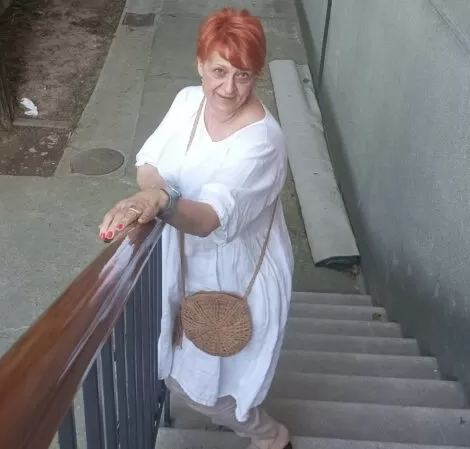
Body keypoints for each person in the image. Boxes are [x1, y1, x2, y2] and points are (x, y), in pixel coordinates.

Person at [98, 7, 294, 449]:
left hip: (235, 275)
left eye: (243, 75)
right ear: (200, 65)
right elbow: (150, 163)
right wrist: (147, 196)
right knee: (189, 373)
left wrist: (160, 202)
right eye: (219, 71)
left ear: (256, 75)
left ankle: (271, 436)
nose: (229, 88)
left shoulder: (262, 142)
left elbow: (208, 219)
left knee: (207, 387)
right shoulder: (189, 101)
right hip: (185, 262)